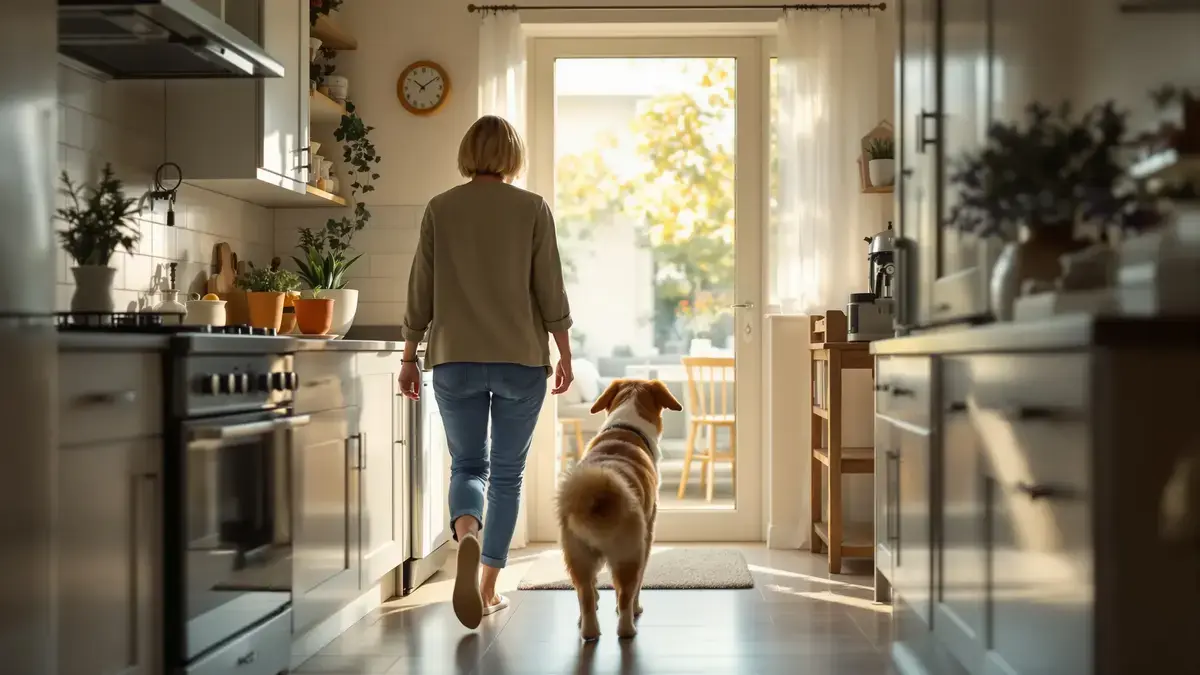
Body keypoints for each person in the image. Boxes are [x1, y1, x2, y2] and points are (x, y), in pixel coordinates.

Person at [398, 114, 574, 629]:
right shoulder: (532, 208)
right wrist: (563, 351)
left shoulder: (440, 208)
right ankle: (489, 588)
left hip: (454, 358)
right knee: (507, 474)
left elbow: (420, 290)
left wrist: (409, 356)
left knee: (467, 465)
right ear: (512, 156)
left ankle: (467, 528)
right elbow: (550, 289)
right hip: (520, 360)